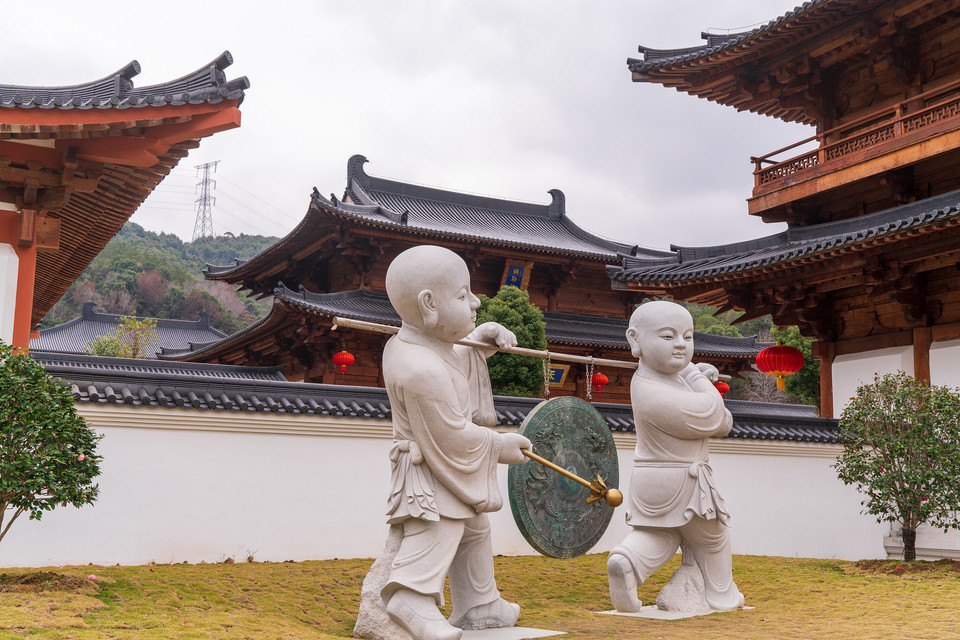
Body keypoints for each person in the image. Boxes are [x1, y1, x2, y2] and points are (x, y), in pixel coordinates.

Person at [380, 245, 531, 640]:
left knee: (475, 527)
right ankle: (410, 594)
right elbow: (450, 435)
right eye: (463, 295)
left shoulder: (418, 345)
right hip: (429, 469)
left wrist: (479, 337)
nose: (476, 301)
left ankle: (478, 602)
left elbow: (452, 358)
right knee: (441, 526)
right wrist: (499, 448)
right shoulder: (419, 369)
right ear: (428, 304)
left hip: (440, 460)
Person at [607, 300, 744, 613]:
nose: (681, 345)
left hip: (648, 481)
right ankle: (721, 595)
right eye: (668, 337)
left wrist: (693, 378)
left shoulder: (653, 381)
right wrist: (696, 375)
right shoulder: (655, 393)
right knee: (713, 539)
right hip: (685, 480)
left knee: (659, 536)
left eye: (688, 336)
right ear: (634, 339)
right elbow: (716, 417)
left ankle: (626, 561)